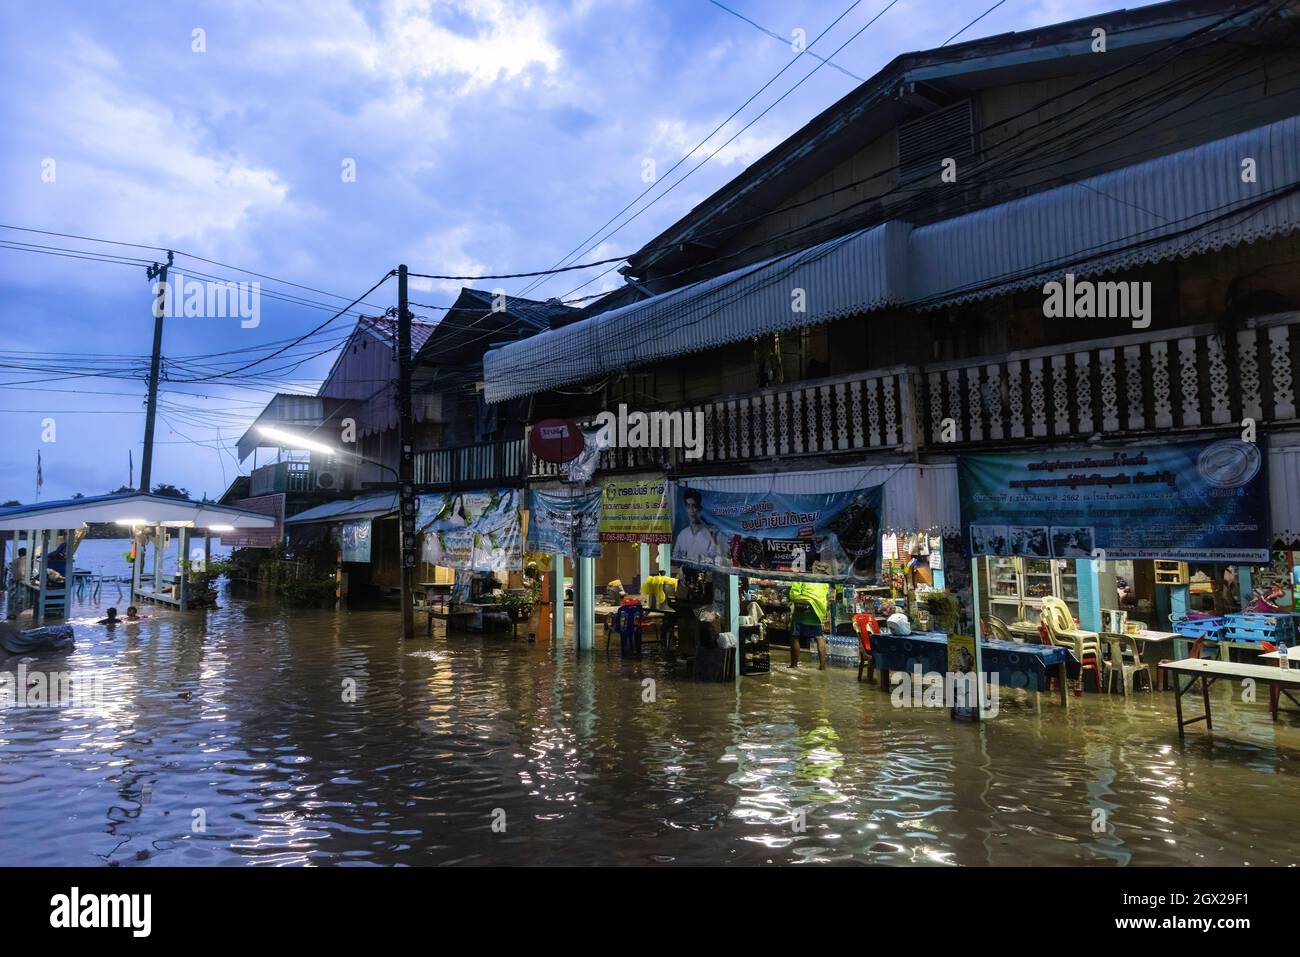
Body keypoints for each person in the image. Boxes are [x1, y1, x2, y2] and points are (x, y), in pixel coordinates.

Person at [673, 489, 726, 567]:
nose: (691, 510)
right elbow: (675, 558)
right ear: (686, 508)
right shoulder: (682, 535)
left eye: (694, 506)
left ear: (699, 508)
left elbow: (718, 560)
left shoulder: (711, 533)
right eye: (688, 506)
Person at [787, 580, 829, 670]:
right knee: (819, 637)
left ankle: (794, 665)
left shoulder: (802, 575)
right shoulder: (823, 578)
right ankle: (823, 666)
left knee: (795, 636)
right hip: (818, 610)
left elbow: (794, 593)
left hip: (803, 607)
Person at [6, 547, 29, 621]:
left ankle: (12, 611)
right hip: (21, 580)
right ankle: (23, 611)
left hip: (13, 579)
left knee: (14, 598)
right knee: (23, 596)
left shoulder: (14, 560)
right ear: (26, 554)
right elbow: (21, 572)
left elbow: (13, 571)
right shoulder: (24, 560)